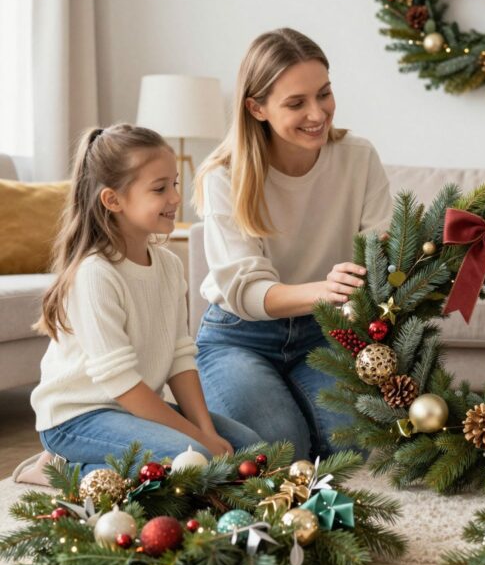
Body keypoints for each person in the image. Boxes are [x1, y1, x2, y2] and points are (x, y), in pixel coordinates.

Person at [193, 28, 391, 460]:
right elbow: (246, 292)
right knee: (283, 452)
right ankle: (192, 422)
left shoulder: (359, 157)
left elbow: (382, 250)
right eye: (296, 103)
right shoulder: (223, 175)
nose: (317, 113)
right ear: (256, 108)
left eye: (324, 94)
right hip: (239, 336)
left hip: (325, 333)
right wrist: (328, 289)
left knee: (344, 450)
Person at [32, 125, 260, 474]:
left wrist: (207, 431)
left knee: (253, 450)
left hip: (130, 411)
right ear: (113, 200)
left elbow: (179, 356)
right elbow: (122, 383)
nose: (174, 198)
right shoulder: (95, 273)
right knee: (192, 464)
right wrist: (198, 441)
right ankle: (60, 470)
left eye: (175, 184)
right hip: (76, 417)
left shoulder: (168, 265)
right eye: (159, 188)